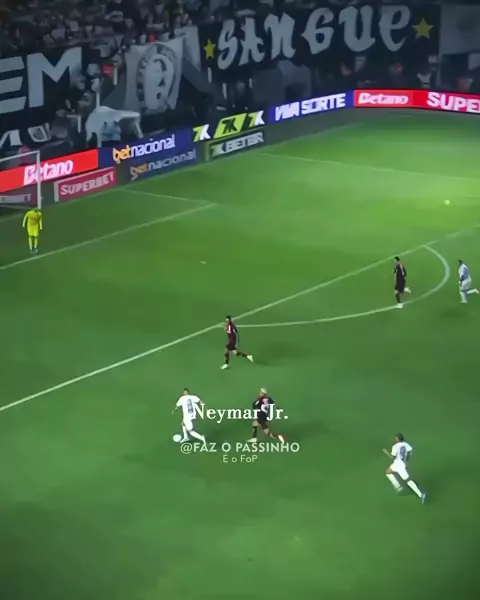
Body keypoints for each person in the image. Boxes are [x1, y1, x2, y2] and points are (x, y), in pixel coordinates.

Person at [384, 433, 426, 503]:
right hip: (400, 464)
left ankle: (421, 495)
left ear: (398, 439)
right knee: (388, 472)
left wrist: (389, 455)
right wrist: (406, 460)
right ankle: (398, 486)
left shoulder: (395, 446)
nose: (395, 439)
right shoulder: (406, 444)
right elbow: (410, 451)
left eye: (396, 438)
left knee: (408, 481)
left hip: (398, 465)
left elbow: (393, 457)